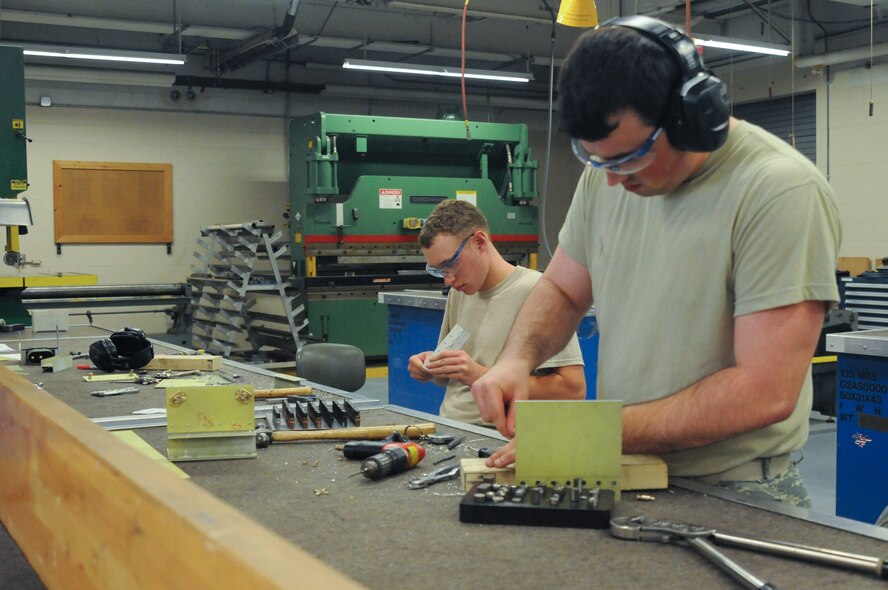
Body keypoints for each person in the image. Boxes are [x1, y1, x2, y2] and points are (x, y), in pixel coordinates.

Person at [471, 15, 841, 507]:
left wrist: (594, 431)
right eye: (595, 160)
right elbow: (562, 289)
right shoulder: (609, 175)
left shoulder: (779, 191)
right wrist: (518, 360)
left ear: (693, 116)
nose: (611, 181)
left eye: (629, 158)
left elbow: (765, 391)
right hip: (626, 463)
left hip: (736, 489)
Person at [408, 199, 585, 425]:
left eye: (450, 264)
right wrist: (432, 367)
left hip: (495, 435)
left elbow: (572, 390)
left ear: (479, 242)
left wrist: (481, 375)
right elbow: (447, 376)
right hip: (448, 426)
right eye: (438, 270)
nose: (447, 279)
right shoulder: (459, 293)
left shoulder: (537, 291)